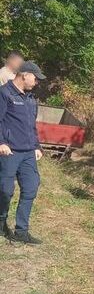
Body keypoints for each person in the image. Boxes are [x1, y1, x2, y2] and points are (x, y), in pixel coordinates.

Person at [0, 61, 46, 244]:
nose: (37, 82)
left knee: (30, 187)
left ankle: (21, 232)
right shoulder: (4, 93)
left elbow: (31, 127)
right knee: (5, 190)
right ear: (24, 75)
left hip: (28, 152)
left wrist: (37, 146)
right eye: (35, 78)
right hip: (9, 152)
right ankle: (1, 222)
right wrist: (1, 142)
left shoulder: (30, 98)